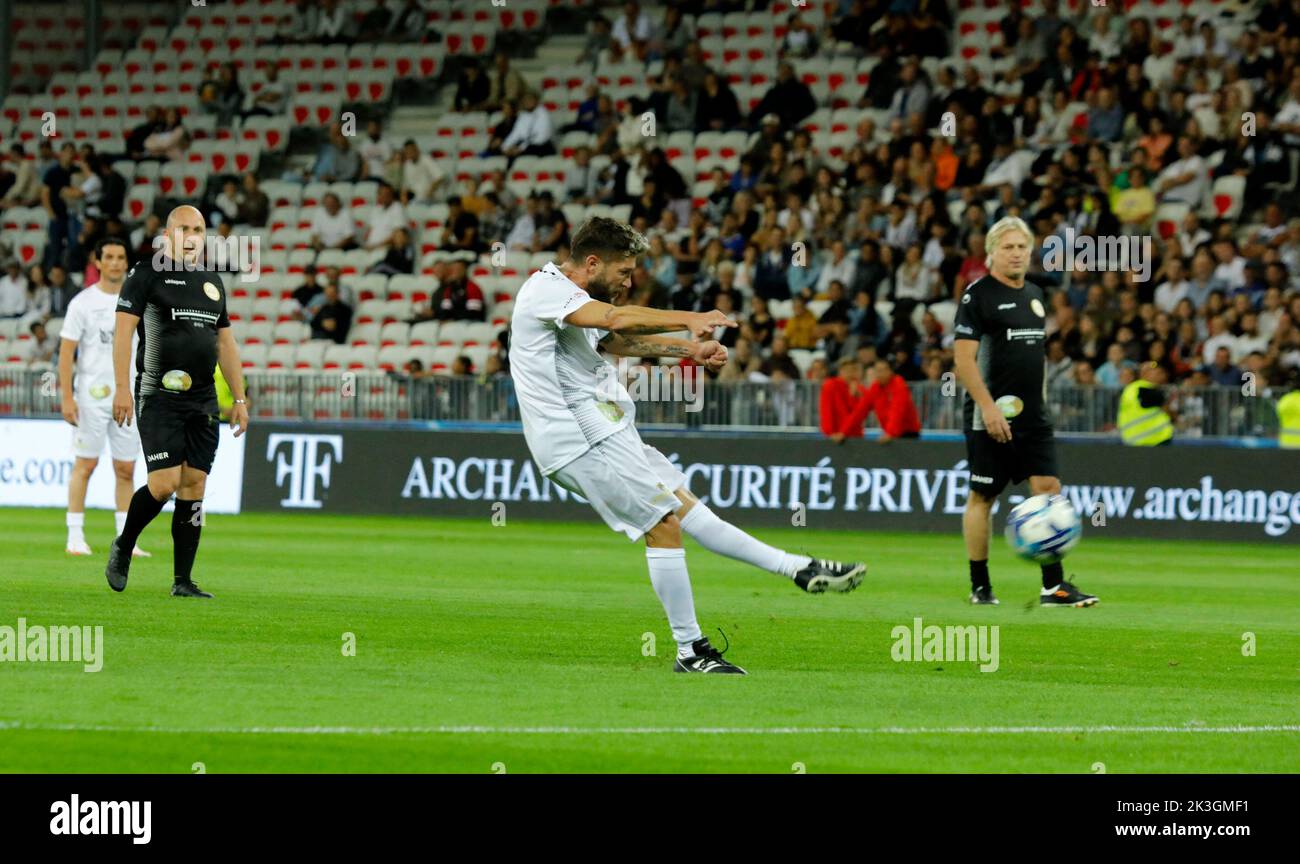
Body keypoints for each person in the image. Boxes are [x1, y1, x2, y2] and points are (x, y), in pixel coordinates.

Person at [507, 217, 865, 674]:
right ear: (591, 262)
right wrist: (690, 320)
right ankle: (690, 649)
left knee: (688, 510)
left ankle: (797, 567)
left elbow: (613, 338)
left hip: (608, 429)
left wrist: (689, 350)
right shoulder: (544, 290)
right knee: (663, 524)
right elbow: (614, 318)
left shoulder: (577, 301)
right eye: (623, 271)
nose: (629, 281)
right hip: (576, 438)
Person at [952, 216, 1098, 608]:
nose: (1016, 254)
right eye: (1008, 247)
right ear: (992, 253)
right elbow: (963, 361)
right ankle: (980, 586)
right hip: (990, 416)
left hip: (1034, 417)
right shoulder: (977, 296)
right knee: (983, 496)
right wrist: (987, 407)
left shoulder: (1034, 294)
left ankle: (1054, 587)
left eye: (1022, 247)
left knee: (1049, 490)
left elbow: (1034, 359)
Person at [106, 206, 249, 599]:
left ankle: (182, 580)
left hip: (202, 400)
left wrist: (239, 398)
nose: (191, 236)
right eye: (184, 228)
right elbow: (122, 335)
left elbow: (225, 342)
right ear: (167, 234)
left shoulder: (212, 281)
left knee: (194, 484)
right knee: (165, 482)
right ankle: (124, 544)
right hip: (157, 394)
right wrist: (121, 388)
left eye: (199, 230)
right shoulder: (144, 274)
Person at [58, 238, 151, 558]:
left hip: (128, 396)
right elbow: (66, 352)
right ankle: (74, 536)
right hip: (91, 398)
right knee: (85, 464)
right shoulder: (82, 303)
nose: (114, 262)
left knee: (126, 469)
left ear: (127, 262)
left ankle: (126, 539)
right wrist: (66, 397)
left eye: (120, 257)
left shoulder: (138, 300)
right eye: (108, 257)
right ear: (97, 262)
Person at [827, 358, 922, 443]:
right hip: (891, 433)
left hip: (908, 432)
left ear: (890, 371)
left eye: (882, 370)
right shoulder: (875, 388)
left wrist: (890, 433)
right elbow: (859, 412)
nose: (879, 374)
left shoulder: (898, 385)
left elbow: (897, 411)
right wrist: (843, 432)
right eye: (877, 371)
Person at [1118, 361, 1175, 446]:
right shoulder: (1146, 389)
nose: (1162, 375)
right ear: (1144, 374)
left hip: (1134, 440)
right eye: (1157, 372)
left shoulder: (1131, 389)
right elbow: (1170, 413)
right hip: (1154, 440)